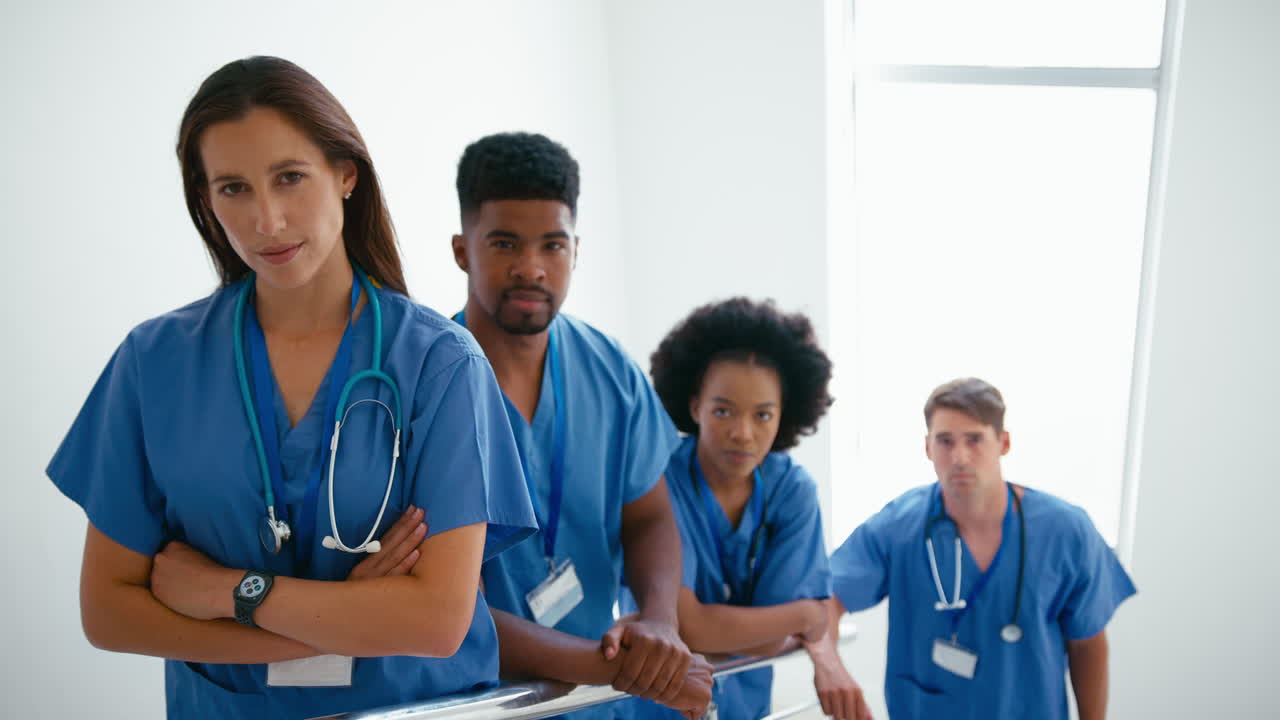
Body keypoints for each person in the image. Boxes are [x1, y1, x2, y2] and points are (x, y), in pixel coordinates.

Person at [46, 56, 536, 719]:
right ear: (205, 200)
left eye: (289, 178)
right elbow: (108, 611)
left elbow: (436, 621)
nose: (267, 221)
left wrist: (230, 593)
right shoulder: (154, 363)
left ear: (346, 174)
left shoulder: (439, 364)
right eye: (233, 189)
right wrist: (328, 623)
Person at [449, 132, 711, 719]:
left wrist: (659, 624)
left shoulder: (610, 371)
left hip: (603, 700)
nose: (531, 268)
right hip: (487, 704)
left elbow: (648, 517)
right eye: (504, 243)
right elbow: (445, 605)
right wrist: (610, 665)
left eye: (553, 244)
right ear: (462, 249)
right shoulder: (429, 385)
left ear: (576, 249)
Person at [807, 378, 1136, 720]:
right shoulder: (899, 526)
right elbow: (823, 598)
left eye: (974, 440)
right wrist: (829, 666)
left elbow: (1087, 645)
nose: (959, 456)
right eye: (945, 441)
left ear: (1003, 443)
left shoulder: (1066, 530)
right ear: (927, 447)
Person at [625, 298, 835, 720]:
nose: (743, 433)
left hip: (747, 706)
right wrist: (805, 613)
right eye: (723, 410)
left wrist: (776, 627)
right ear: (694, 405)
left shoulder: (791, 490)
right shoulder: (658, 480)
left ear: (784, 416)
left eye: (763, 415)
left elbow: (772, 641)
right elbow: (687, 626)